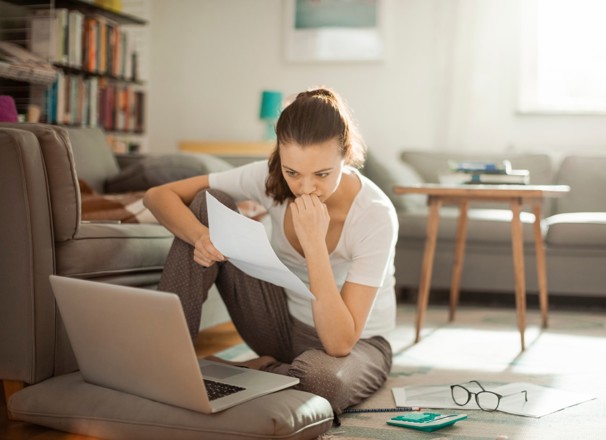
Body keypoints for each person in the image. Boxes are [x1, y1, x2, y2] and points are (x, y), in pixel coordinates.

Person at [143, 87, 399, 414]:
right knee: (208, 203)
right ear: (281, 157)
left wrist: (314, 245)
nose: (306, 188)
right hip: (282, 327)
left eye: (322, 174)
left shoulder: (375, 214)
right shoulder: (268, 178)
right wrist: (200, 237)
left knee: (322, 384)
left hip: (357, 346)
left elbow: (340, 343)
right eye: (293, 172)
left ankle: (256, 370)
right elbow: (157, 196)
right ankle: (165, 364)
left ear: (345, 156)